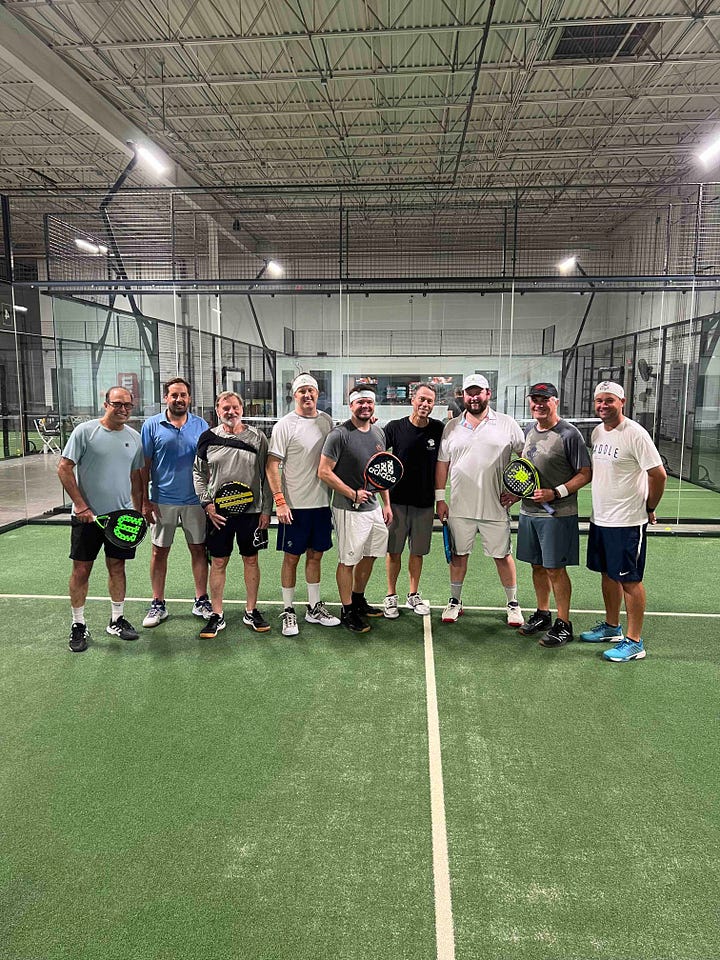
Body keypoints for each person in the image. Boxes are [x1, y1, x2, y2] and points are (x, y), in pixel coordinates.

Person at [580, 381, 667, 662]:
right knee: (607, 574)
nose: (603, 405)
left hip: (627, 521)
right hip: (601, 519)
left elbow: (658, 475)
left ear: (622, 402)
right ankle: (611, 627)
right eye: (599, 401)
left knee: (630, 580)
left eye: (609, 400)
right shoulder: (597, 432)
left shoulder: (635, 434)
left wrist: (650, 506)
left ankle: (634, 641)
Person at [57, 386, 144, 652]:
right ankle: (78, 624)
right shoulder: (85, 432)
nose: (123, 409)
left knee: (117, 567)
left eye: (127, 405)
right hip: (87, 518)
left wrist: (138, 511)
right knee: (81, 570)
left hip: (121, 518)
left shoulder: (135, 437)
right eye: (117, 404)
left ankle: (116, 620)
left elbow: (135, 478)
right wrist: (81, 506)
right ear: (105, 404)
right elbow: (64, 468)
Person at [435, 373, 525, 626]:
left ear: (488, 394)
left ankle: (513, 604)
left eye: (478, 392)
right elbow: (442, 464)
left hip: (496, 506)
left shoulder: (507, 424)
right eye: (469, 393)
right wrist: (440, 499)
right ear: (463, 396)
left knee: (502, 556)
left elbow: (526, 457)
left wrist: (518, 491)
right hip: (460, 508)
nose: (474, 397)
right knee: (458, 556)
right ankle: (455, 601)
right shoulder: (451, 427)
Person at [509, 382, 592, 647]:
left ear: (555, 402)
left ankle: (564, 624)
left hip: (558, 514)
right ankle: (543, 614)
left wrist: (555, 493)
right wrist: (517, 493)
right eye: (535, 399)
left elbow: (585, 473)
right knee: (536, 565)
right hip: (529, 512)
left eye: (544, 399)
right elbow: (527, 472)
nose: (539, 404)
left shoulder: (569, 434)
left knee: (555, 569)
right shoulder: (529, 431)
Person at [192, 391, 272, 638]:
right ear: (217, 410)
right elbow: (198, 473)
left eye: (235, 407)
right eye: (225, 408)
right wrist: (207, 504)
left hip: (251, 513)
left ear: (242, 409)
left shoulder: (258, 437)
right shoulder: (207, 438)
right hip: (219, 515)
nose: (231, 412)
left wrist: (266, 510)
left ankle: (251, 610)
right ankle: (216, 614)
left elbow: (267, 476)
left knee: (251, 560)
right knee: (218, 562)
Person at [266, 373, 340, 636]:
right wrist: (280, 501)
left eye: (311, 391)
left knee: (316, 556)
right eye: (302, 391)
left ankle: (313, 607)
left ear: (317, 394)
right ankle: (288, 610)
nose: (307, 395)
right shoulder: (285, 425)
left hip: (321, 504)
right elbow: (272, 465)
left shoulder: (327, 422)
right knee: (291, 558)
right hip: (293, 507)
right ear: (294, 395)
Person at [318, 388, 392, 633]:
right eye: (360, 402)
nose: (365, 406)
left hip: (373, 509)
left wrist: (386, 504)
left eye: (369, 402)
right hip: (348, 509)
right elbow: (324, 471)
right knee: (348, 561)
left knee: (370, 555)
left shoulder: (378, 432)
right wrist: (353, 493)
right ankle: (347, 609)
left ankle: (358, 598)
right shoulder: (339, 435)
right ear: (351, 406)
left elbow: (381, 471)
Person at [140, 377, 211, 628]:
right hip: (162, 500)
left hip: (195, 500)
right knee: (159, 551)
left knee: (198, 549)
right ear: (166, 398)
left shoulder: (201, 425)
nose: (179, 399)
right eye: (174, 395)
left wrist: (208, 498)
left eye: (183, 395)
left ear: (189, 398)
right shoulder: (151, 425)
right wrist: (145, 501)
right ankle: (158, 603)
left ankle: (201, 600)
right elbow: (144, 466)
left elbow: (207, 465)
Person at [382, 383, 444, 618]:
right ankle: (391, 596)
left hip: (424, 503)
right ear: (413, 400)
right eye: (421, 399)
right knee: (394, 551)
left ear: (433, 404)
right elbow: (376, 450)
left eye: (429, 401)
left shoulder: (438, 429)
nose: (425, 404)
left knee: (417, 552)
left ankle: (413, 594)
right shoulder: (395, 428)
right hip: (397, 502)